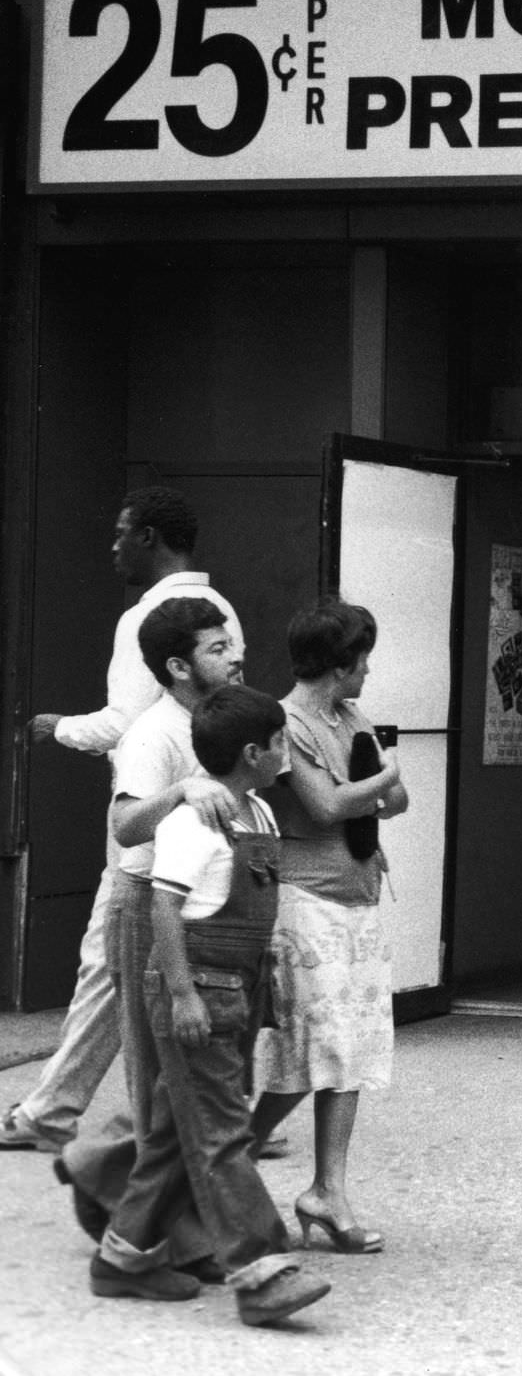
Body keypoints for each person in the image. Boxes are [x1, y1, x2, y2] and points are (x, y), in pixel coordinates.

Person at [1, 487, 243, 1152]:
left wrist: (57, 728)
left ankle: (61, 1114)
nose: (112, 547)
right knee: (149, 966)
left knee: (112, 962)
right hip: (208, 812)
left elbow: (124, 723)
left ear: (150, 538)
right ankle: (65, 1107)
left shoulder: (149, 618)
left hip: (151, 813)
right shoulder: (220, 613)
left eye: (120, 533)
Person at [90, 685, 331, 1327]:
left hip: (237, 992)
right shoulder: (196, 820)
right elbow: (165, 906)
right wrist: (180, 995)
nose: (287, 749)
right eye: (281, 741)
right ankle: (261, 1272)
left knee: (175, 1134)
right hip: (199, 992)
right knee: (225, 1133)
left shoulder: (259, 813)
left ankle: (123, 1257)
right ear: (255, 752)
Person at [57, 597, 244, 1266]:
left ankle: (108, 1172)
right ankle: (155, 1231)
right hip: (147, 901)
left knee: (191, 1084)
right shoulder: (153, 732)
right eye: (218, 648)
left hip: (207, 906)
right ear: (178, 664)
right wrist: (183, 792)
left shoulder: (222, 721)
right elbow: (127, 825)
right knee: (157, 1076)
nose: (235, 654)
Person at [250, 598, 408, 1254]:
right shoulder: (287, 723)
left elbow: (392, 801)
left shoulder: (350, 715)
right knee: (312, 1044)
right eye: (362, 658)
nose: (369, 669)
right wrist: (379, 779)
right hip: (306, 899)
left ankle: (328, 1190)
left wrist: (374, 786)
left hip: (357, 895)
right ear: (338, 664)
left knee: (350, 1050)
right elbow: (321, 806)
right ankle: (234, 1149)